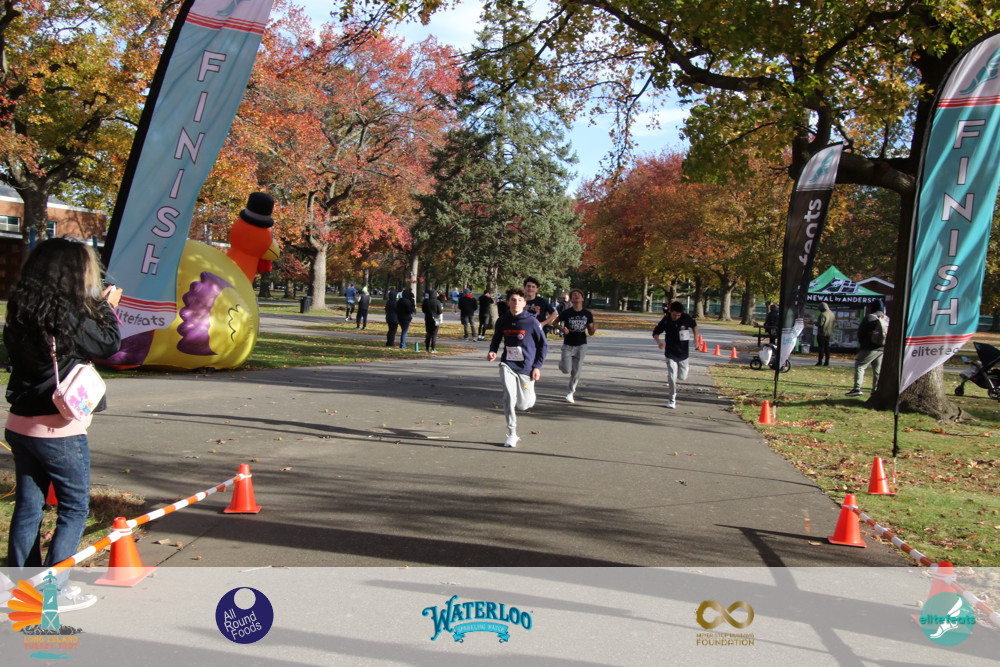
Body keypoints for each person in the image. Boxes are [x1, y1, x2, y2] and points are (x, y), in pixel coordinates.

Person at [4, 238, 122, 612]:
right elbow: (108, 345)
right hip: (58, 431)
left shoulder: (20, 309)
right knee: (74, 508)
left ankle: (22, 585)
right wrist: (106, 307)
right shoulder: (67, 314)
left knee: (29, 507)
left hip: (20, 424)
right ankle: (53, 590)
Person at [487, 287, 548, 448]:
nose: (516, 303)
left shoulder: (532, 322)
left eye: (520, 300)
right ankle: (512, 433)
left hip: (526, 367)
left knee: (524, 404)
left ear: (524, 303)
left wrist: (537, 366)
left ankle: (529, 396)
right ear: (508, 302)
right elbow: (496, 339)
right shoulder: (502, 320)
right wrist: (492, 351)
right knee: (508, 397)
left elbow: (543, 345)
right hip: (507, 364)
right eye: (513, 300)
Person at [652, 301, 699, 409]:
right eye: (674, 315)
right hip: (670, 352)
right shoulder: (666, 320)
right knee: (672, 377)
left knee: (682, 377)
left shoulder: (686, 318)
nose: (676, 317)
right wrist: (659, 342)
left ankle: (683, 369)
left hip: (683, 353)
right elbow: (655, 333)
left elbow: (694, 326)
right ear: (670, 312)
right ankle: (671, 399)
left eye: (678, 315)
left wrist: (696, 338)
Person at [557, 289, 597, 403]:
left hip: (581, 345)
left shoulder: (587, 314)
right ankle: (562, 364)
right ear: (571, 299)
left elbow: (590, 332)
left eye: (579, 294)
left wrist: (594, 328)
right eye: (574, 295)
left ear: (582, 299)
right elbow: (554, 322)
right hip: (568, 344)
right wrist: (562, 329)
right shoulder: (567, 312)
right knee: (566, 369)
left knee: (576, 371)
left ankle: (570, 392)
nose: (576, 296)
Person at [846, 310, 888, 397]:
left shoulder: (869, 318)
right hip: (881, 348)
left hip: (869, 347)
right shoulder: (885, 319)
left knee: (860, 366)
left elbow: (860, 333)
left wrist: (863, 344)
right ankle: (875, 390)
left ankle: (857, 388)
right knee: (877, 370)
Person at [815, 302, 835, 366]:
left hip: (822, 333)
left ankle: (820, 361)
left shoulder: (823, 314)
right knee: (827, 348)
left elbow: (820, 324)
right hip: (829, 333)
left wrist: (815, 323)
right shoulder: (832, 314)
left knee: (821, 348)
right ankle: (827, 362)